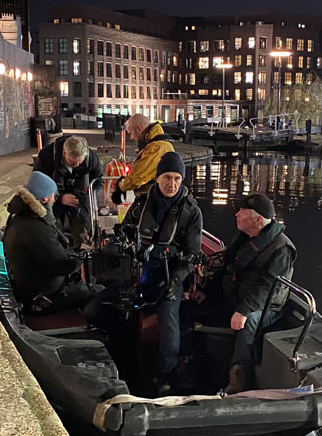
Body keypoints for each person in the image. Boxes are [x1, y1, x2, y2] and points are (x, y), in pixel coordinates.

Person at [86, 152, 203, 394]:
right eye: (167, 177)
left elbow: (192, 254)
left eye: (177, 179)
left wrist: (176, 280)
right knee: (94, 309)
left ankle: (166, 375)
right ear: (157, 178)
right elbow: (124, 234)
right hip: (137, 273)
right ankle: (113, 356)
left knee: (169, 319)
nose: (172, 184)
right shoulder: (140, 205)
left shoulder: (191, 212)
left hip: (169, 276)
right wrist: (116, 253)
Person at [190, 193, 296, 394]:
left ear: (257, 220)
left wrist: (243, 311)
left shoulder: (280, 249)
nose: (237, 214)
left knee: (247, 324)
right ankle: (187, 367)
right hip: (236, 297)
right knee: (189, 310)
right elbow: (227, 269)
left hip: (263, 306)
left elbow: (268, 287)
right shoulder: (245, 239)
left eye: (242, 211)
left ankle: (239, 378)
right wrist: (207, 292)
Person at [4, 171, 91, 315]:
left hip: (32, 285)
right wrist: (83, 256)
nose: (54, 199)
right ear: (45, 199)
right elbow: (61, 266)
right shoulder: (37, 228)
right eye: (53, 196)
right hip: (44, 297)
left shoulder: (19, 217)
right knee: (95, 291)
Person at [33, 135, 103, 248]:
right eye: (72, 162)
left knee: (83, 236)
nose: (76, 165)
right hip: (52, 204)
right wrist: (60, 198)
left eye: (80, 162)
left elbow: (99, 181)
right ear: (64, 153)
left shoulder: (91, 159)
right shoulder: (46, 157)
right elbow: (38, 186)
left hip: (80, 204)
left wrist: (91, 194)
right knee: (53, 237)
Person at [111, 114, 174, 204]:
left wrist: (121, 186)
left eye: (131, 133)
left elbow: (138, 178)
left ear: (139, 129)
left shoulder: (157, 147)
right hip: (155, 198)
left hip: (157, 201)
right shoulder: (156, 144)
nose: (131, 138)